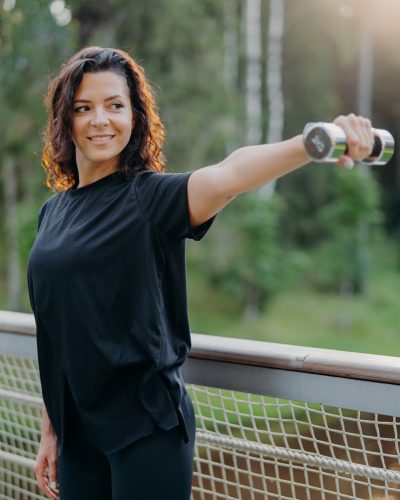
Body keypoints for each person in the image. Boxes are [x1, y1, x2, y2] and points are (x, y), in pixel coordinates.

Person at [27, 46, 375, 500]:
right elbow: (55, 332)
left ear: (135, 117)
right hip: (78, 436)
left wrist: (313, 142)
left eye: (115, 105)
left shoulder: (149, 198)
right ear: (65, 120)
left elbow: (229, 175)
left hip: (145, 430)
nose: (100, 120)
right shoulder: (52, 213)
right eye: (83, 108)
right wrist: (50, 430)